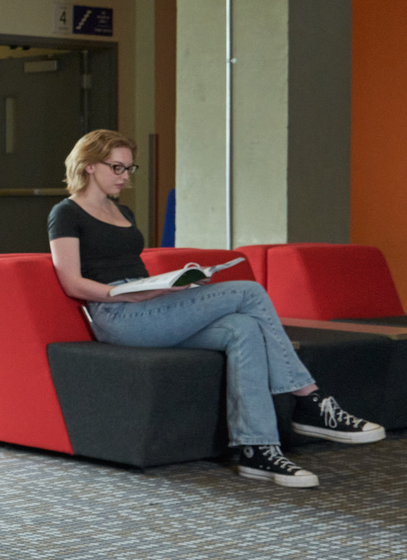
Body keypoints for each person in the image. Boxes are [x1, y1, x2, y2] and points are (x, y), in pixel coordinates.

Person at [47, 128, 382, 488]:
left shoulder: (121, 210)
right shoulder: (66, 213)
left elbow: (132, 268)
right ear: (89, 166)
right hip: (117, 315)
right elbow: (72, 282)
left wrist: (169, 284)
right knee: (250, 292)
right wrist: (125, 295)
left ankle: (257, 449)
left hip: (150, 305)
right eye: (117, 168)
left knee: (244, 328)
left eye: (130, 168)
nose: (126, 176)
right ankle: (308, 398)